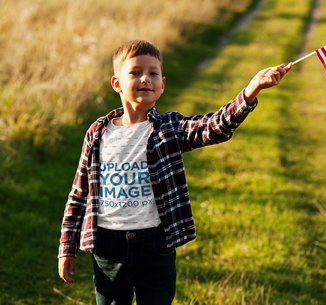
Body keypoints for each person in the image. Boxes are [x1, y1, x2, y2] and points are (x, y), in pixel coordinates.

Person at [58, 39, 291, 305]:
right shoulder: (98, 133)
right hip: (108, 248)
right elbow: (79, 194)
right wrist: (67, 247)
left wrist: (251, 90)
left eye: (153, 73)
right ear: (117, 84)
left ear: (163, 84)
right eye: (135, 72)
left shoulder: (169, 128)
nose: (145, 78)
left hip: (156, 245)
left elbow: (215, 127)